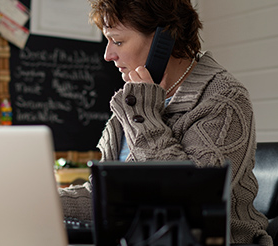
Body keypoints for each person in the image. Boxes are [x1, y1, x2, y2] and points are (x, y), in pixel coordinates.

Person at [58, 0, 273, 245]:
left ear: (164, 39)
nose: (108, 55)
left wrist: (142, 113)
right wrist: (39, 200)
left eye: (117, 41)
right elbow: (105, 197)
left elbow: (185, 204)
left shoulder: (224, 99)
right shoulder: (135, 99)